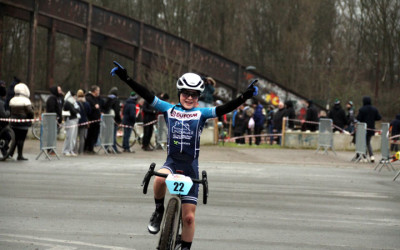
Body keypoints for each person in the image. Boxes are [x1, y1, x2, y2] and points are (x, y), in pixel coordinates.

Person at [111, 61, 258, 250]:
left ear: (198, 96)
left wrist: (244, 97)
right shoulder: (169, 109)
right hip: (171, 162)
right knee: (158, 180)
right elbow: (147, 95)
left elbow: (225, 108)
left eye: (194, 94)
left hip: (190, 167)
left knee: (188, 218)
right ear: (179, 93)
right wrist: (127, 78)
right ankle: (158, 210)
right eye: (186, 93)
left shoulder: (202, 113)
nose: (189, 97)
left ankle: (186, 246)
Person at [9, 83, 34, 160]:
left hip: (13, 122)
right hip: (23, 123)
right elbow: (30, 112)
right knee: (21, 139)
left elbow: (10, 110)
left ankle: (10, 153)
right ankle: (20, 155)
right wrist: (30, 118)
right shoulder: (26, 101)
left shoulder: (12, 100)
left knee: (15, 138)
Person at [356, 96, 381, 163]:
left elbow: (358, 118)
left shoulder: (362, 109)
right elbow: (379, 117)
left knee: (363, 142)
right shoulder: (374, 109)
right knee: (368, 142)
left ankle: (364, 156)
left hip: (363, 129)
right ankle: (371, 156)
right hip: (371, 128)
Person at [104, 87, 122, 153]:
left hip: (107, 119)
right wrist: (119, 120)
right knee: (113, 135)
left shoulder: (107, 99)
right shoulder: (116, 100)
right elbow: (117, 111)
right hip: (114, 120)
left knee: (108, 134)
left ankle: (106, 148)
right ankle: (114, 148)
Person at [62, 91, 80, 156]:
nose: (76, 97)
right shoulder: (68, 102)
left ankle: (71, 149)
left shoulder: (74, 102)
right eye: (75, 96)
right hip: (70, 120)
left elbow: (78, 109)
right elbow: (73, 111)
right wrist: (76, 110)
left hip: (75, 119)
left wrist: (76, 110)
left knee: (74, 136)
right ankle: (66, 150)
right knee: (69, 136)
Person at [84, 85, 101, 154]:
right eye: (98, 90)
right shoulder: (89, 98)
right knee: (90, 134)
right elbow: (89, 108)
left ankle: (91, 148)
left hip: (96, 120)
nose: (99, 92)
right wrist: (95, 107)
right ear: (95, 91)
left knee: (95, 134)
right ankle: (88, 148)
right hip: (92, 119)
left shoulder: (95, 98)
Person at [75, 89, 90, 155]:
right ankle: (81, 151)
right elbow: (89, 112)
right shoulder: (86, 103)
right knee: (82, 137)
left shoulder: (75, 103)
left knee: (75, 137)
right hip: (84, 121)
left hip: (76, 121)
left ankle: (75, 150)